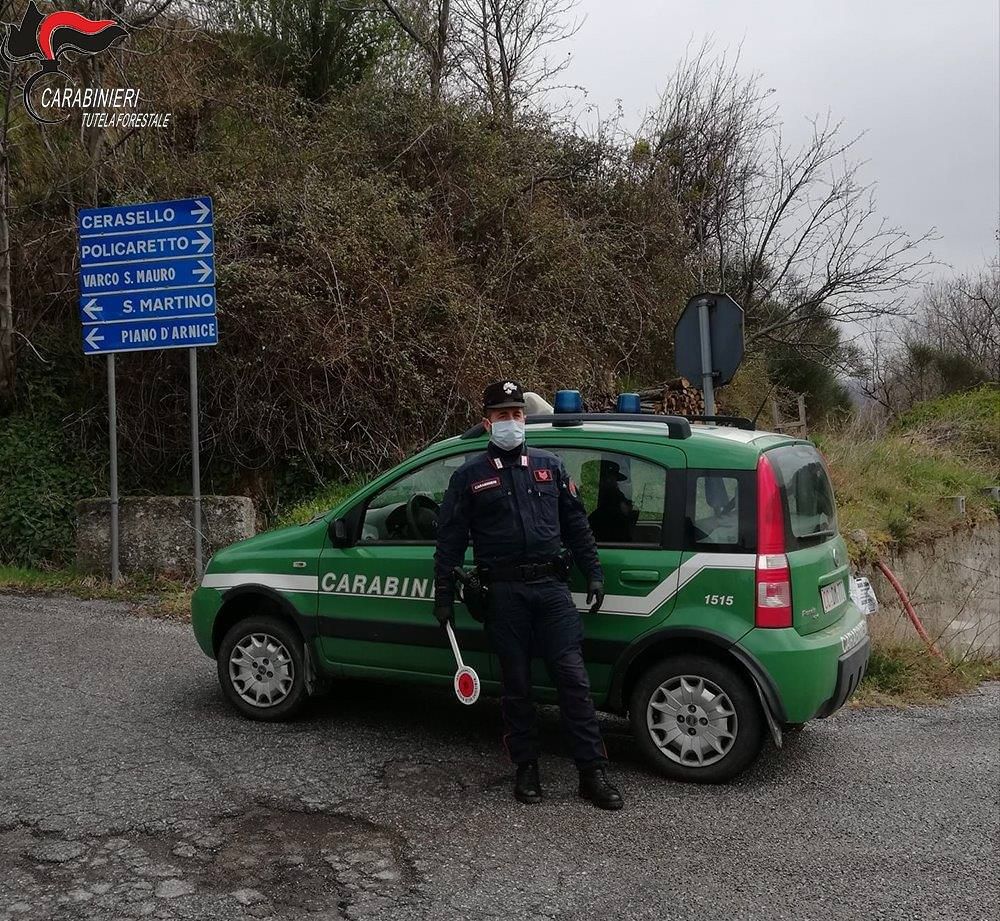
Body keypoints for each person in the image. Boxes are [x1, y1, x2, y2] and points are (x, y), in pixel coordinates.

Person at [432, 380, 624, 810]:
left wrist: (593, 572)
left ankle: (591, 774)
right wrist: (442, 595)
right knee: (516, 686)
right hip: (504, 594)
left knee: (574, 682)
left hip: (552, 590)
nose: (512, 422)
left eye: (517, 414)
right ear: (488, 423)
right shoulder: (469, 476)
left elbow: (576, 525)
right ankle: (526, 768)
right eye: (503, 416)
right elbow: (449, 540)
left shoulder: (549, 465)